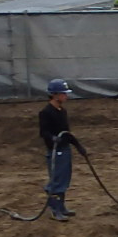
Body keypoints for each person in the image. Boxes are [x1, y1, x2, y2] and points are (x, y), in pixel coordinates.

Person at [38, 78, 84, 221]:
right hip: (55, 151)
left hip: (65, 150)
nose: (66, 96)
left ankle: (61, 206)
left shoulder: (62, 111)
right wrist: (53, 138)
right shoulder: (46, 112)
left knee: (64, 179)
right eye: (63, 93)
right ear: (55, 94)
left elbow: (67, 132)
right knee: (57, 180)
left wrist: (78, 146)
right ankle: (54, 209)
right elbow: (43, 132)